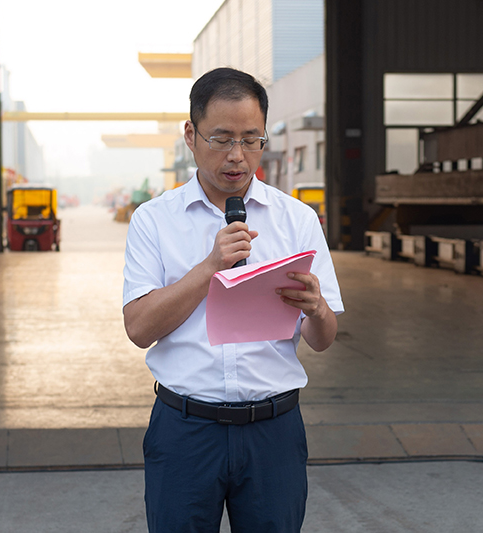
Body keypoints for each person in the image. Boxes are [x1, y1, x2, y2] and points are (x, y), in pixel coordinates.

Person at [122, 67, 344, 532]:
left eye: (251, 139)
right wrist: (209, 268)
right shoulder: (154, 220)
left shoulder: (296, 219)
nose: (237, 156)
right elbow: (139, 328)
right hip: (185, 431)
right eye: (222, 139)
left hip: (273, 432)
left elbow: (322, 339)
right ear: (191, 134)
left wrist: (318, 308)